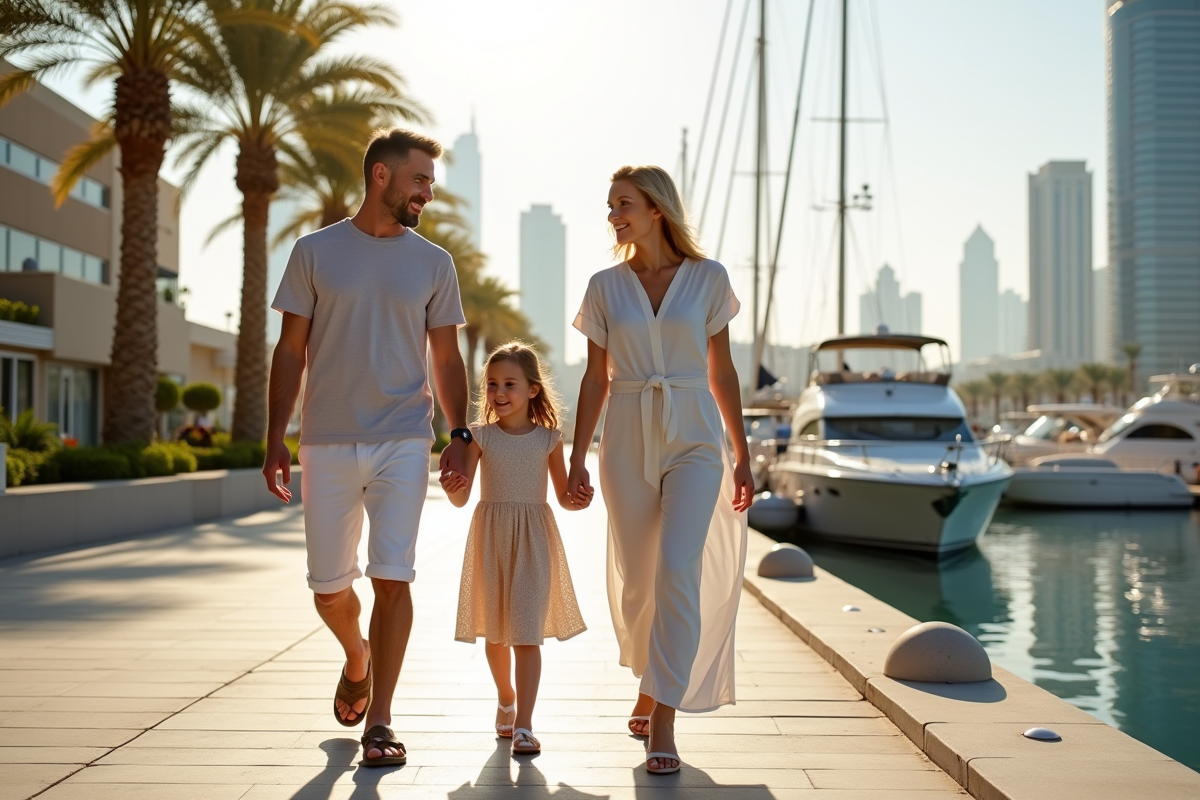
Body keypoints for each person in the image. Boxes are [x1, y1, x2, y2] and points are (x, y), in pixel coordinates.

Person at [262, 128, 471, 768]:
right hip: (324, 439)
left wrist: (459, 434)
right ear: (381, 176)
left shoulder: (434, 262)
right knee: (328, 589)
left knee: (393, 576)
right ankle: (357, 655)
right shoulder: (315, 252)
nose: (427, 193)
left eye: (430, 183)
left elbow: (445, 355)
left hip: (404, 437)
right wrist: (275, 435)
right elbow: (290, 349)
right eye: (419, 180)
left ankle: (379, 719)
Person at [567, 165, 754, 775]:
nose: (613, 214)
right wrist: (575, 455)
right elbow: (596, 376)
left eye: (623, 203)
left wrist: (742, 451)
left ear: (656, 209)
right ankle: (650, 679)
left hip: (695, 435)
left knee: (678, 567)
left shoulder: (708, 278)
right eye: (611, 205)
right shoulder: (603, 286)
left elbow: (721, 371)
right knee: (639, 579)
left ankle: (664, 715)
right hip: (624, 434)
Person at [441, 342, 590, 755]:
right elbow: (461, 497)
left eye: (509, 383)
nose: (499, 392)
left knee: (527, 634)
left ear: (533, 390)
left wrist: (578, 499)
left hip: (534, 541)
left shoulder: (549, 440)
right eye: (491, 384)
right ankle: (505, 697)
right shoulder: (480, 437)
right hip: (491, 540)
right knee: (495, 635)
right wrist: (454, 489)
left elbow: (562, 496)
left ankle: (524, 723)